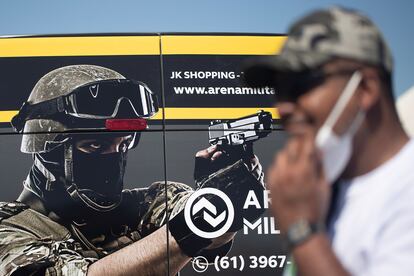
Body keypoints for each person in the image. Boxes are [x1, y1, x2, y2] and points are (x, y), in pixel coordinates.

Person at [0, 64, 265, 275]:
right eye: (94, 145)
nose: (113, 157)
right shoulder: (9, 230)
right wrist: (191, 228)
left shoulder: (146, 205)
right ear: (48, 149)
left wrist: (222, 195)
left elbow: (208, 238)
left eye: (124, 144)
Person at [244, 6, 413, 276]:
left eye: (300, 85)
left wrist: (302, 232)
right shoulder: (328, 191)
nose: (283, 107)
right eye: (279, 91)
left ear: (365, 88)